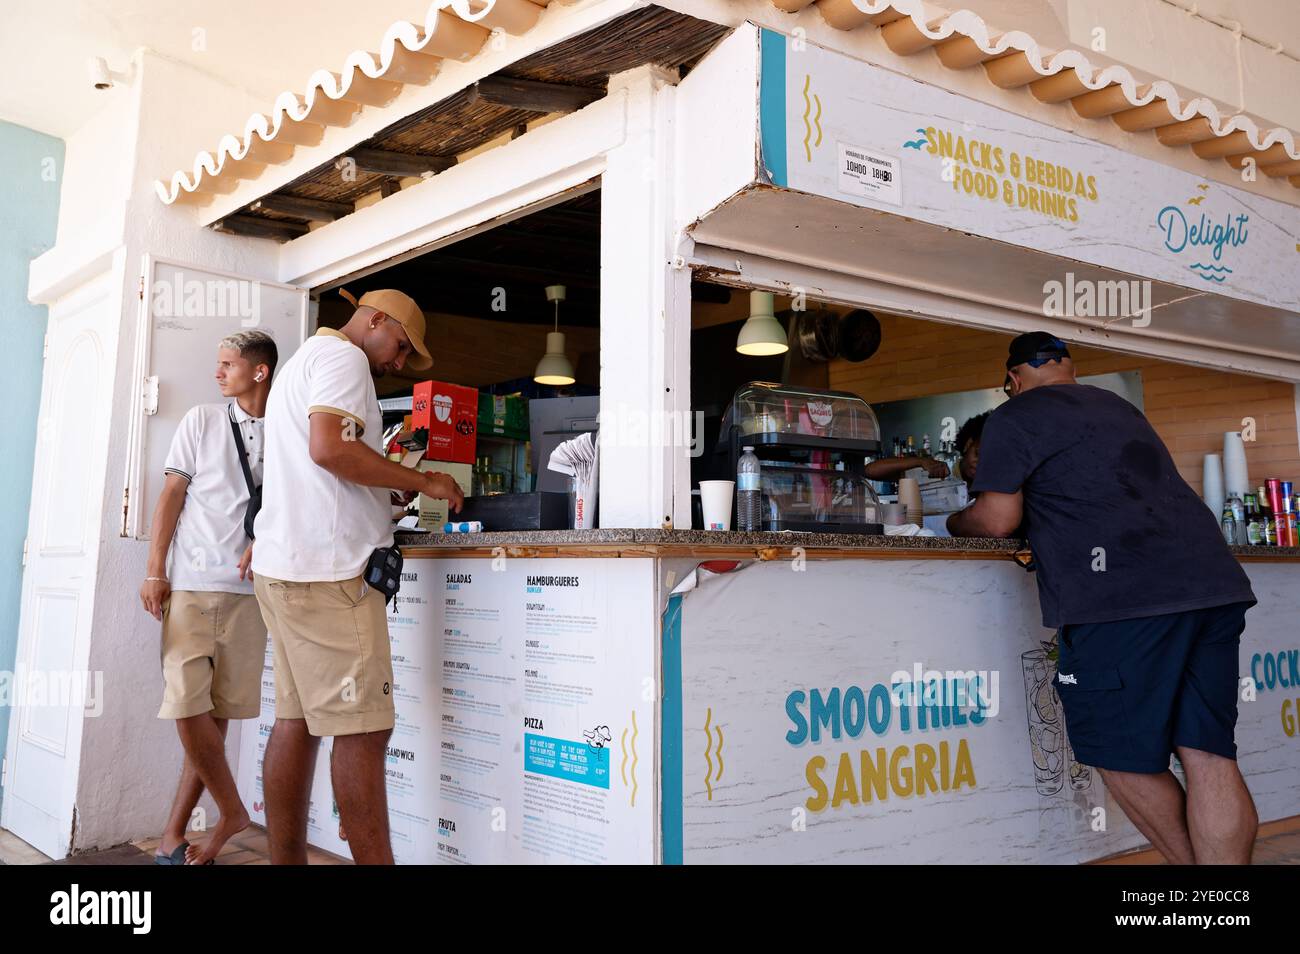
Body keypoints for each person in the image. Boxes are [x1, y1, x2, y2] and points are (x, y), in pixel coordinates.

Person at [948, 332, 1258, 864]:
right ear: (1070, 369)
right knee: (1207, 751)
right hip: (1213, 584)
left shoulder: (1014, 416)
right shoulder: (1117, 406)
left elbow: (997, 520)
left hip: (1123, 600)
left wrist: (956, 521)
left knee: (1120, 755)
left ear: (1012, 381)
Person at [251, 289, 463, 865]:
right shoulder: (344, 360)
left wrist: (384, 487)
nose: (398, 362)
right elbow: (329, 449)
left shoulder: (304, 362)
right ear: (375, 320)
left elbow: (329, 463)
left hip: (286, 570)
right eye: (400, 346)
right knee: (363, 734)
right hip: (330, 578)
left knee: (296, 723)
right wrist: (424, 483)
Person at [139, 330, 278, 865]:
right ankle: (234, 811)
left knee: (214, 719)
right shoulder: (200, 420)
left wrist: (264, 538)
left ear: (259, 371)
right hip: (192, 585)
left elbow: (290, 499)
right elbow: (172, 493)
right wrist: (156, 570)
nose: (218, 373)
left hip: (249, 594)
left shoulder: (287, 428)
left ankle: (172, 836)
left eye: (228, 364)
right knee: (186, 703)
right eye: (217, 363)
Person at [952, 411, 989, 491]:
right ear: (968, 444)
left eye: (989, 460)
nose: (980, 464)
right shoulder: (942, 477)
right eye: (978, 454)